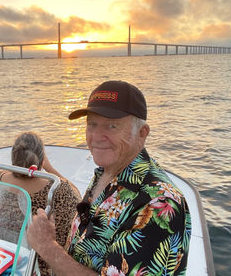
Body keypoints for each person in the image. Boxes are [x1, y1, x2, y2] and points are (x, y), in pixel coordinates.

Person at [27, 81, 191, 276]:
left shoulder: (159, 203)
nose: (96, 136)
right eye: (91, 124)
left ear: (142, 133)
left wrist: (47, 247)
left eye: (112, 126)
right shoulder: (106, 172)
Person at [0, 131, 81, 276]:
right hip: (44, 268)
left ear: (14, 158)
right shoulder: (60, 191)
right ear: (41, 160)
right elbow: (77, 197)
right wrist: (49, 169)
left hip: (3, 262)